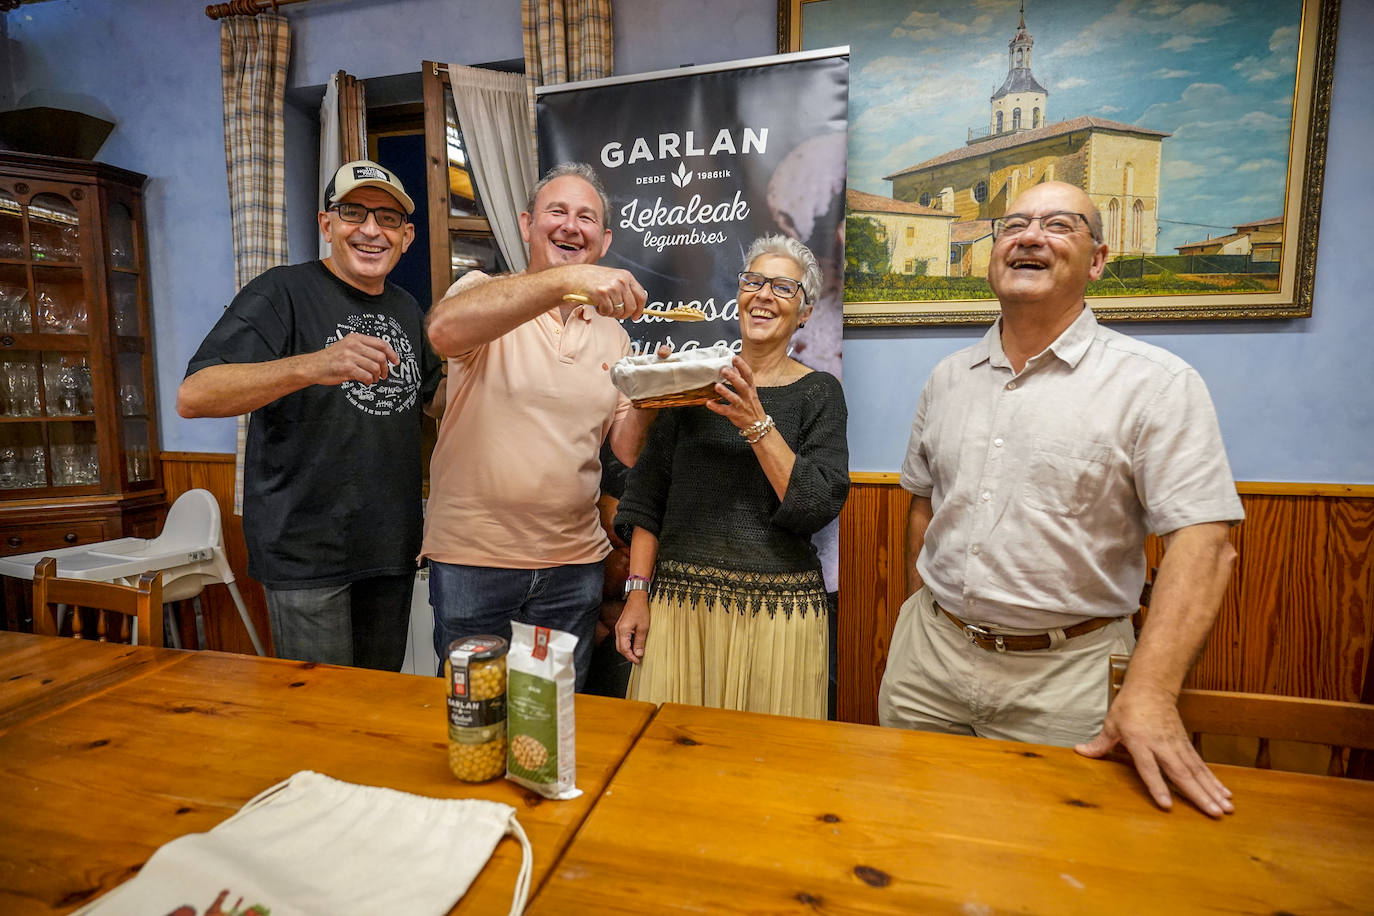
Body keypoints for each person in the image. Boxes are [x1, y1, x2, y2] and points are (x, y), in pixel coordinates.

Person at [877, 181, 1244, 816]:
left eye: (1059, 225)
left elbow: (1206, 544)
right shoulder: (947, 379)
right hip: (927, 666)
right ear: (994, 252)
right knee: (905, 830)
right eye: (1014, 223)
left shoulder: (1156, 384)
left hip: (1068, 682)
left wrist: (1153, 691)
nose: (1030, 236)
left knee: (1052, 855)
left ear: (1097, 260)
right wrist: (921, 612)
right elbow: (925, 505)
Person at [178, 159, 443, 670]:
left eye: (388, 218)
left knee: (375, 703)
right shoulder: (282, 291)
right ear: (327, 224)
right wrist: (314, 365)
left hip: (390, 547)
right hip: (306, 552)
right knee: (322, 707)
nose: (371, 230)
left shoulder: (407, 307)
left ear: (406, 237)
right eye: (353, 213)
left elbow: (434, 398)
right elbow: (196, 395)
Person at [421, 162, 657, 689]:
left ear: (605, 241)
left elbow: (627, 448)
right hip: (474, 563)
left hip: (572, 570)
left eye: (586, 217)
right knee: (477, 715)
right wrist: (566, 281)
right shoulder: (483, 291)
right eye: (557, 212)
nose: (571, 226)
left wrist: (652, 394)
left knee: (545, 720)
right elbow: (442, 331)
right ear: (527, 225)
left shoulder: (614, 334)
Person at [613, 235, 850, 719]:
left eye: (783, 287)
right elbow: (647, 497)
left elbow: (815, 505)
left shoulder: (820, 393)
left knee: (767, 759)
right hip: (680, 609)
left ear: (805, 313)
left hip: (778, 617)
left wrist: (755, 422)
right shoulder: (693, 380)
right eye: (753, 281)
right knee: (670, 751)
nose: (763, 295)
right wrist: (636, 593)